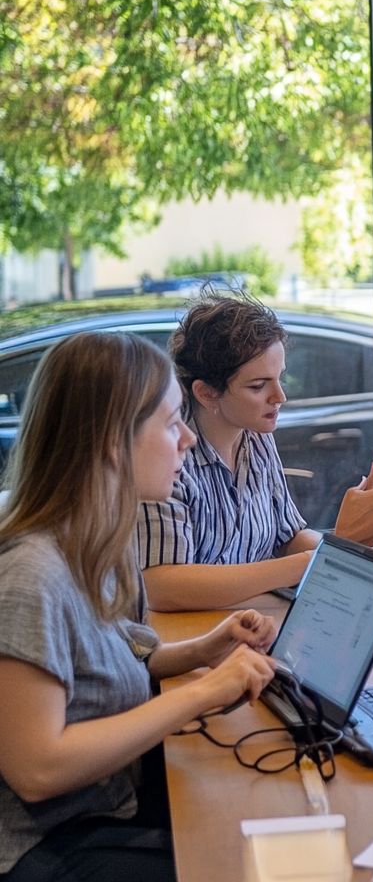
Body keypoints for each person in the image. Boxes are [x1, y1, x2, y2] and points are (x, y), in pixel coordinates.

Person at [0, 333, 277, 881]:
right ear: (111, 441)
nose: (187, 442)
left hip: (105, 808)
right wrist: (203, 692)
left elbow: (102, 665)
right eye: (172, 422)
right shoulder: (31, 576)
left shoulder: (92, 541)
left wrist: (204, 649)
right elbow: (38, 767)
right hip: (48, 847)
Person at [137, 295, 373, 611]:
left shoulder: (256, 438)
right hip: (195, 632)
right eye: (258, 386)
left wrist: (364, 557)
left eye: (280, 377)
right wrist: (332, 554)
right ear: (206, 393)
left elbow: (288, 539)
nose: (280, 396)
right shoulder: (168, 459)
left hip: (252, 621)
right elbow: (162, 586)